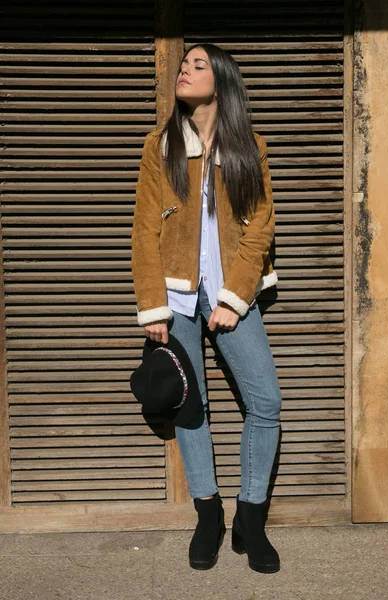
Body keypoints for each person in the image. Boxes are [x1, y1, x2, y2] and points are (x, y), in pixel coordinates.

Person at [131, 43, 282, 574]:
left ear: (221, 80)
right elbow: (145, 231)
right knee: (189, 406)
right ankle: (208, 515)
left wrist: (235, 300)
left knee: (265, 401)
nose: (184, 71)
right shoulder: (161, 145)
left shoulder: (250, 147)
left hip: (229, 295)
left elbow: (261, 225)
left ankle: (250, 520)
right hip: (176, 298)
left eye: (197, 65)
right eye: (183, 64)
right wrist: (152, 308)